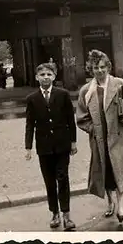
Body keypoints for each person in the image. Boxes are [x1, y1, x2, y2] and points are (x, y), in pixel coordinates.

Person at [75, 50, 123, 222]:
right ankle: (110, 202)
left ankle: (121, 207)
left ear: (109, 67)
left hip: (117, 136)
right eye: (96, 67)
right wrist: (93, 129)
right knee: (104, 171)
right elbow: (81, 118)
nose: (100, 70)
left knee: (118, 169)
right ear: (91, 69)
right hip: (98, 139)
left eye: (103, 67)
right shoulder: (86, 91)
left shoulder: (119, 84)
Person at [25, 63, 78, 230]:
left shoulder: (62, 95)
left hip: (62, 146)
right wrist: (28, 147)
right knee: (49, 181)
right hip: (44, 147)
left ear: (54, 76)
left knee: (63, 178)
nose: (46, 77)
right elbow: (29, 124)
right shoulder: (32, 99)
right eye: (42, 75)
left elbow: (71, 120)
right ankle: (54, 213)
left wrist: (73, 142)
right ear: (37, 77)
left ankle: (66, 215)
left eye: (49, 74)